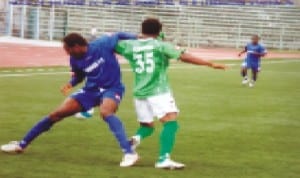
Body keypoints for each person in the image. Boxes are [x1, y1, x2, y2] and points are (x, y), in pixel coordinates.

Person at [1, 32, 139, 167]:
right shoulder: (74, 59)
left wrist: (139, 37)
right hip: (90, 91)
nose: (67, 53)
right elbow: (79, 76)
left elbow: (119, 34)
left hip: (112, 88)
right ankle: (21, 145)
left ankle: (129, 152)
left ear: (77, 46)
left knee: (106, 112)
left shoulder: (102, 44)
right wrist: (70, 84)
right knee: (55, 115)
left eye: (68, 49)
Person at [115, 18, 227, 169]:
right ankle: (163, 159)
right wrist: (210, 64)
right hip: (158, 90)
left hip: (139, 92)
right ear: (159, 31)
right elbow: (184, 56)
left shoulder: (128, 45)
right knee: (171, 122)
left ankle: (133, 141)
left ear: (141, 30)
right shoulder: (161, 46)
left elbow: (113, 45)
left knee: (147, 126)